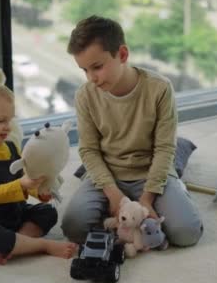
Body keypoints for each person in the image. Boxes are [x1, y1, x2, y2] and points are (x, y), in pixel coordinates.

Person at [61, 15, 203, 247]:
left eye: (97, 67)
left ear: (123, 55)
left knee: (187, 234)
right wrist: (113, 195)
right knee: (73, 227)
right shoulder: (85, 96)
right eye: (84, 70)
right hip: (108, 172)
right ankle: (128, 215)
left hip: (150, 170)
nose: (91, 78)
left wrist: (147, 199)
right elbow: (89, 151)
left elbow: (165, 147)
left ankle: (175, 187)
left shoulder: (160, 89)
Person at [0, 81, 77, 264]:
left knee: (48, 212)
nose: (8, 126)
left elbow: (25, 177)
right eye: (1, 121)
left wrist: (39, 192)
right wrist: (21, 185)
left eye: (10, 120)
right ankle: (42, 245)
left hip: (14, 214)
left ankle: (17, 242)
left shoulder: (10, 147)